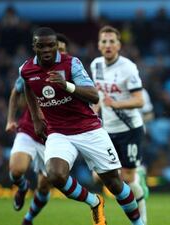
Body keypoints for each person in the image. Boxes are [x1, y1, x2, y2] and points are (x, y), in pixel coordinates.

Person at [20, 27, 145, 225]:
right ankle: (94, 202)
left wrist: (66, 85)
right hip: (58, 132)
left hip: (89, 129)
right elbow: (27, 85)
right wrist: (36, 118)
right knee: (55, 175)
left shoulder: (71, 64)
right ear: (34, 46)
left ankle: (139, 223)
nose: (46, 50)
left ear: (56, 47)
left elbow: (94, 95)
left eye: (51, 45)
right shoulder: (27, 69)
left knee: (115, 183)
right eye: (41, 46)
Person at [5, 33, 71, 225]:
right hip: (28, 129)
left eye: (59, 49)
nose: (53, 52)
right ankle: (23, 186)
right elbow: (16, 92)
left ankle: (28, 219)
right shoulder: (32, 70)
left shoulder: (71, 72)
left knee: (44, 186)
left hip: (54, 137)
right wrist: (10, 119)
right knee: (17, 170)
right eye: (51, 47)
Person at [90, 25, 148, 225]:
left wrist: (116, 104)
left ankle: (142, 221)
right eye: (104, 41)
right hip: (106, 131)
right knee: (99, 177)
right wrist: (94, 111)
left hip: (130, 129)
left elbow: (139, 100)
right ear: (99, 45)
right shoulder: (95, 65)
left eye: (111, 41)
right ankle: (137, 176)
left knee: (128, 180)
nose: (107, 45)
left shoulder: (128, 67)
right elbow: (97, 96)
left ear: (118, 45)